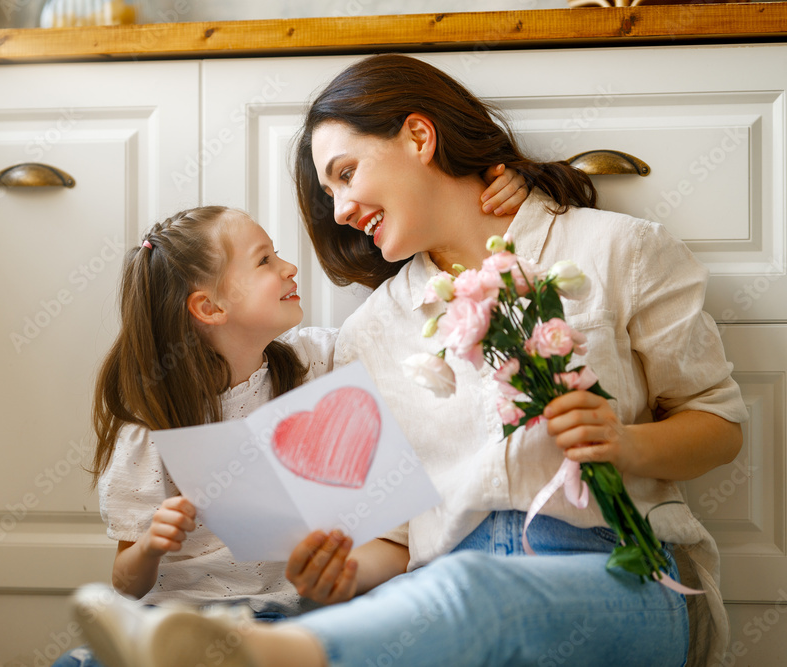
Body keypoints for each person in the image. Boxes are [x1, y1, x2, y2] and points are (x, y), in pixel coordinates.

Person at [69, 54, 747, 667]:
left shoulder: (616, 250)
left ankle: (255, 656)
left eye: (344, 173)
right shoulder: (370, 331)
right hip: (437, 591)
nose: (337, 210)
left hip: (625, 578)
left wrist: (626, 442)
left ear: (420, 138)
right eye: (327, 192)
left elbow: (718, 426)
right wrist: (340, 574)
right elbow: (395, 542)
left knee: (473, 589)